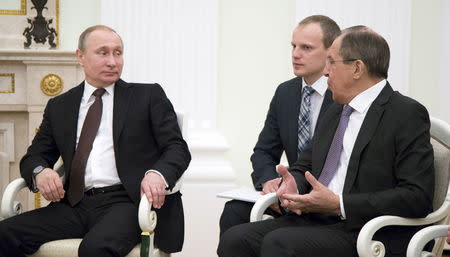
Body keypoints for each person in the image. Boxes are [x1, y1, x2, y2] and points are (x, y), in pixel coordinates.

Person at [218, 27, 434, 257]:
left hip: (368, 230)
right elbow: (304, 167)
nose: (326, 72)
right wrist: (294, 185)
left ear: (357, 68)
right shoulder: (336, 110)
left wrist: (339, 203)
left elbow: (417, 196)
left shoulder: (405, 113)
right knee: (236, 239)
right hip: (318, 220)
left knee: (280, 243)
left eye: (331, 62)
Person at [0, 25, 191, 257]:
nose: (113, 61)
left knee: (94, 249)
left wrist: (157, 174)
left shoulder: (147, 96)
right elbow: (34, 156)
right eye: (103, 52)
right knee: (5, 233)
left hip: (128, 202)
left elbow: (177, 148)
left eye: (118, 53)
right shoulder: (60, 106)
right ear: (80, 56)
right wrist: (41, 171)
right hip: (74, 204)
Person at [219, 15, 340, 236]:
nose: (295, 54)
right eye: (293, 46)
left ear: (330, 52)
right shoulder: (285, 92)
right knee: (234, 212)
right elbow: (264, 151)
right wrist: (269, 182)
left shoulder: (343, 95)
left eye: (306, 47)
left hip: (330, 202)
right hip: (289, 195)